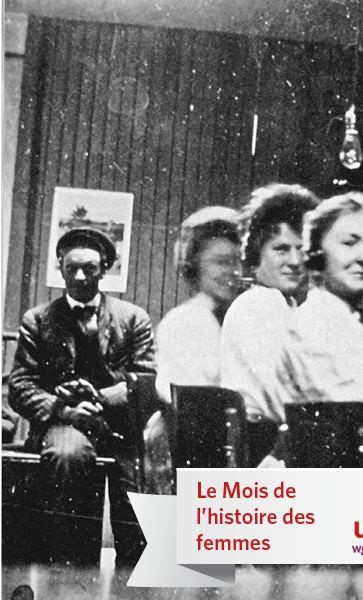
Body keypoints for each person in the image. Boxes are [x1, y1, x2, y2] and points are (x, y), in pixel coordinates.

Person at [8, 227, 155, 565]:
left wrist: (100, 398)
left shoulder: (133, 319)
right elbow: (20, 385)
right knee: (67, 456)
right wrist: (64, 409)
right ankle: (65, 570)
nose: (79, 276)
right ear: (60, 267)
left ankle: (136, 578)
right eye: (70, 267)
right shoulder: (38, 320)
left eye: (89, 268)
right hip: (65, 424)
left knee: (143, 476)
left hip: (119, 428)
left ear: (105, 269)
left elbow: (144, 382)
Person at [143, 206, 242, 493]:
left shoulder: (230, 317)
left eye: (237, 261)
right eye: (222, 262)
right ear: (194, 265)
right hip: (189, 451)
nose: (233, 272)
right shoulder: (188, 320)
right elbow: (202, 406)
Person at [220, 183, 318, 461]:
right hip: (265, 450)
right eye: (282, 249)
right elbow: (286, 404)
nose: (296, 260)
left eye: (303, 249)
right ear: (256, 253)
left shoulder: (281, 304)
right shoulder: (263, 305)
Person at [275, 191, 363, 406]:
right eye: (348, 243)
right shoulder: (313, 322)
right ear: (317, 253)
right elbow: (351, 413)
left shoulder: (355, 319)